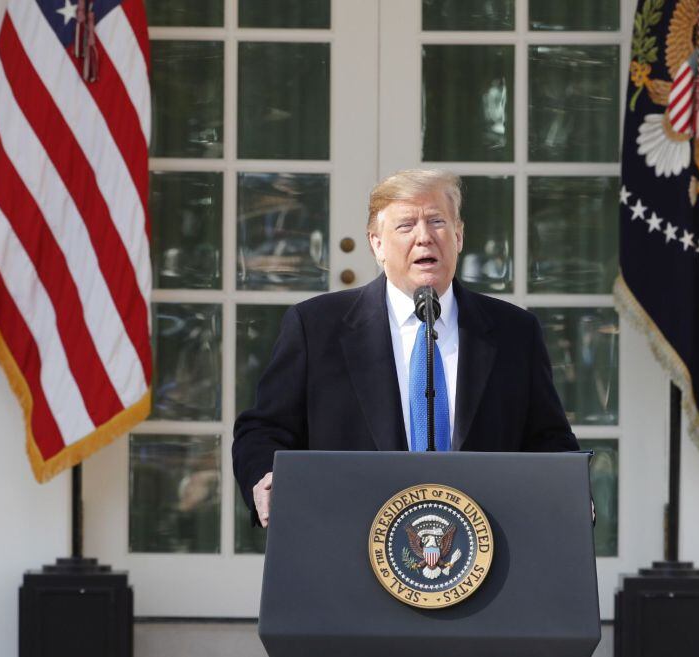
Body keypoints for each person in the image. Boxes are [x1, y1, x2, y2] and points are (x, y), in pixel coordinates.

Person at [233, 169, 578, 527]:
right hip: (351, 538)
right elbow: (263, 429)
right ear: (376, 244)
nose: (424, 237)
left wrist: (573, 494)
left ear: (458, 236)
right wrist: (264, 479)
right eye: (406, 226)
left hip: (483, 549)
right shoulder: (316, 327)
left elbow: (548, 439)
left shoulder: (514, 332)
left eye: (437, 222)